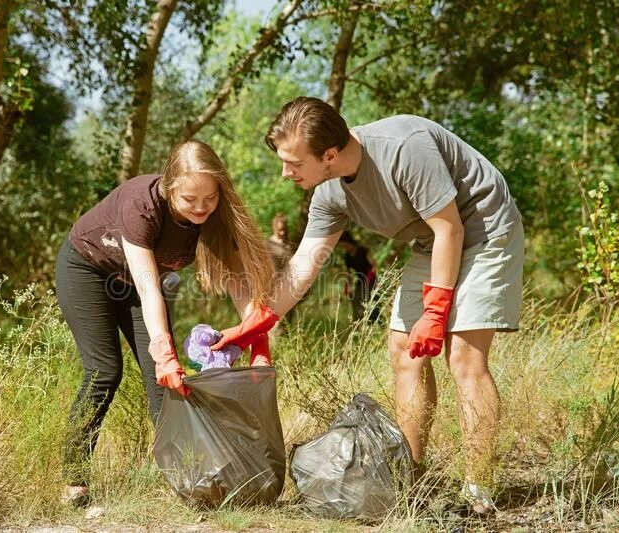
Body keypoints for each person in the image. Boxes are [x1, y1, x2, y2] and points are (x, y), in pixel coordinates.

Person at [252, 96, 524, 515]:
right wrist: (259, 320)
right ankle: (409, 480)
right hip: (432, 241)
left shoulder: (403, 147)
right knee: (403, 350)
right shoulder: (328, 190)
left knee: (463, 356)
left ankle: (478, 491)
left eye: (293, 163)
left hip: (483, 227)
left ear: (329, 154)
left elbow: (450, 227)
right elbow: (304, 264)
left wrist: (436, 313)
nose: (285, 171)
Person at [55, 140, 278, 506]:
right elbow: (149, 288)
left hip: (138, 284)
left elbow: (240, 283)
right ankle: (74, 479)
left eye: (210, 198)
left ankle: (183, 480)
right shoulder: (140, 205)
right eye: (190, 200)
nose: (202, 207)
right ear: (169, 185)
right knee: (105, 370)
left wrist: (259, 345)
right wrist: (163, 350)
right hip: (88, 271)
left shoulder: (216, 217)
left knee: (165, 387)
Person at [336, 231, 380, 322]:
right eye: (343, 247)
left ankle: (378, 323)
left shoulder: (363, 251)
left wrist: (371, 277)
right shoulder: (347, 257)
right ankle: (359, 323)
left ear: (350, 242)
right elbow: (348, 273)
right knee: (355, 299)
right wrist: (347, 286)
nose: (345, 248)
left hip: (371, 281)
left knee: (371, 303)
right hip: (360, 281)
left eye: (346, 246)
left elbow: (375, 266)